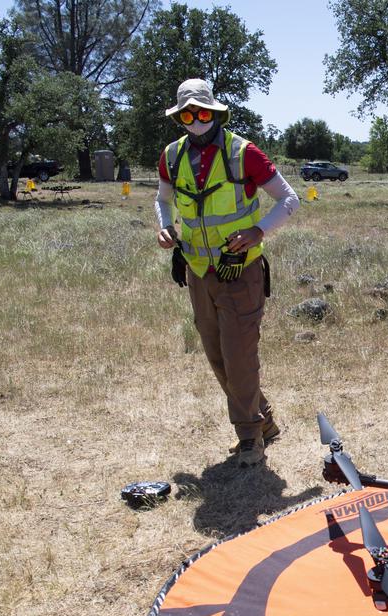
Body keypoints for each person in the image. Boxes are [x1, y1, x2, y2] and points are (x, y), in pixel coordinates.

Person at [154, 79, 300, 467]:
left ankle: (250, 436)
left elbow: (289, 198)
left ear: (215, 112)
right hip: (198, 271)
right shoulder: (171, 156)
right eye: (188, 114)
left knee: (239, 356)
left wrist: (257, 231)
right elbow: (162, 200)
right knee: (217, 356)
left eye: (202, 112)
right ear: (179, 117)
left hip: (241, 271)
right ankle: (263, 421)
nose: (196, 120)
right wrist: (165, 226)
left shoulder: (243, 153)